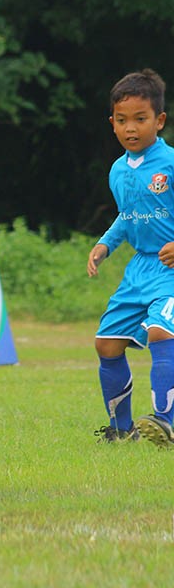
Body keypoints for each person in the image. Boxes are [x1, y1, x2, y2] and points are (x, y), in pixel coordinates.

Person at [87, 68, 174, 446]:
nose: (131, 128)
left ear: (159, 120)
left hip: (170, 269)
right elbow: (128, 215)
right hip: (138, 269)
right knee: (106, 344)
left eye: (140, 119)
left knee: (162, 333)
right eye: (122, 121)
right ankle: (123, 431)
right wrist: (105, 244)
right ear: (112, 124)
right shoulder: (118, 170)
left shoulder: (169, 164)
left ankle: (166, 423)